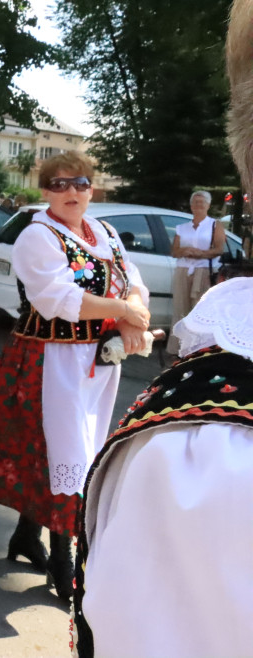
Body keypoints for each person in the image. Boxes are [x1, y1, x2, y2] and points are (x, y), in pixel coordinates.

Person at [0, 152, 150, 602]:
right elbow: (58, 299)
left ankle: (26, 537)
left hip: (98, 362)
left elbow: (132, 280)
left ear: (92, 189)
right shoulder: (37, 236)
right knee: (61, 452)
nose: (72, 192)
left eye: (81, 183)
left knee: (69, 454)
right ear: (45, 189)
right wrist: (124, 310)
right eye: (61, 183)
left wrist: (133, 314)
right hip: (51, 360)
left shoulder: (104, 233)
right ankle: (63, 555)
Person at [71, 278, 253, 658]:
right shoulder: (227, 314)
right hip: (67, 367)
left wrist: (128, 308)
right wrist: (125, 311)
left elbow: (132, 281)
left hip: (99, 376)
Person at [167, 190, 226, 356]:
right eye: (195, 202)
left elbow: (219, 249)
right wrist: (185, 250)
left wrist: (201, 253)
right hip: (183, 270)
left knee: (198, 309)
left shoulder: (214, 225)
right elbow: (174, 251)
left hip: (203, 271)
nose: (198, 206)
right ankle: (177, 348)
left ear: (207, 205)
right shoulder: (182, 227)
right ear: (191, 205)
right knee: (180, 308)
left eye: (201, 202)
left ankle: (197, 349)